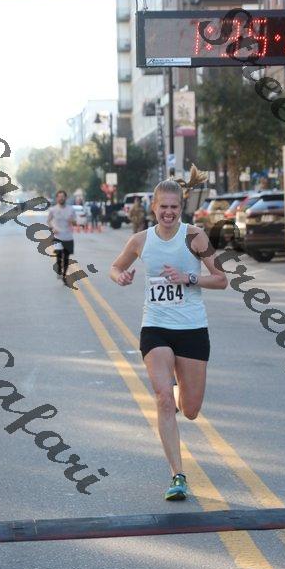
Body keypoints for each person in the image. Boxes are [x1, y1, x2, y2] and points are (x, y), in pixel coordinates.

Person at [110, 165, 228, 501]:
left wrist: (188, 278)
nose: (169, 212)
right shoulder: (140, 240)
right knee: (163, 398)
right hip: (156, 327)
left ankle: (177, 393)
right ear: (153, 207)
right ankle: (177, 475)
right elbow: (115, 266)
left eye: (174, 207)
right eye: (163, 206)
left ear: (181, 207)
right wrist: (120, 276)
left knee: (189, 409)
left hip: (191, 328)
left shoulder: (195, 236)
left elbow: (221, 279)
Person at [47, 190, 76, 286]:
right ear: (57, 198)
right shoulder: (53, 209)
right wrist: (52, 228)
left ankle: (64, 276)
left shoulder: (71, 209)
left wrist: (72, 221)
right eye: (59, 197)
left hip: (68, 236)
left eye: (62, 197)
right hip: (57, 236)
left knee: (66, 257)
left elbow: (75, 222)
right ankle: (59, 269)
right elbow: (49, 221)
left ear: (65, 198)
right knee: (59, 255)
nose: (61, 198)